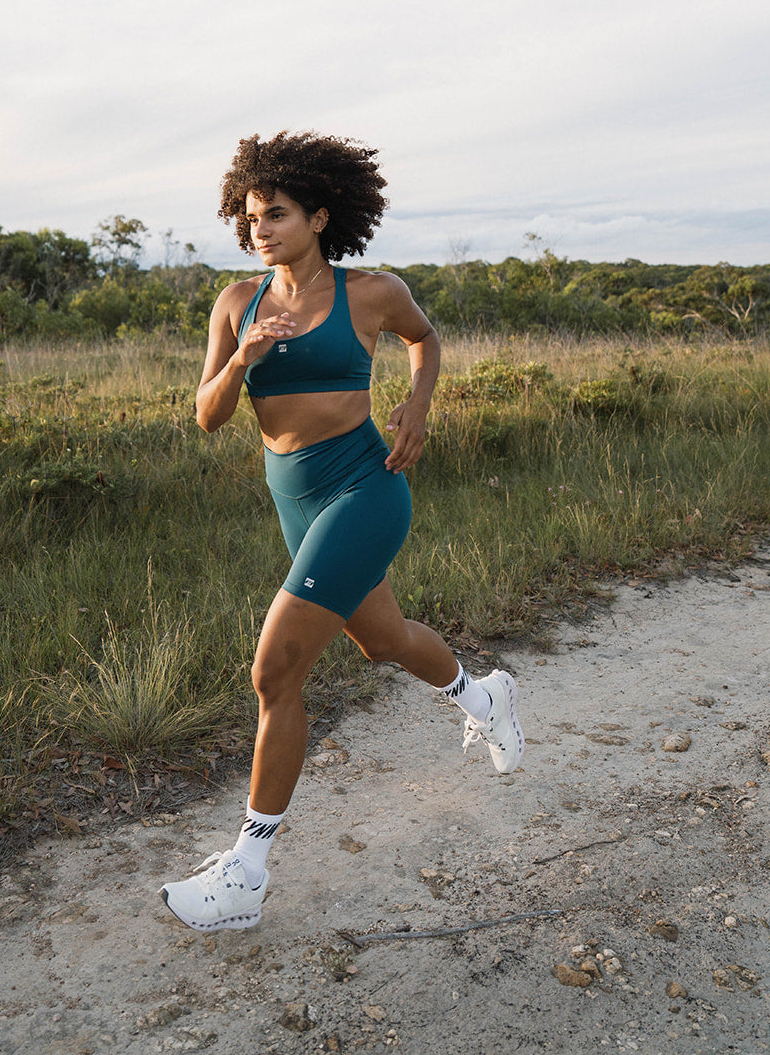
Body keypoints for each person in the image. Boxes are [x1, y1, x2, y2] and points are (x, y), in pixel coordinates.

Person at [160, 131, 523, 932]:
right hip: (294, 500)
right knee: (383, 641)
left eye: (277, 215)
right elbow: (207, 416)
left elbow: (424, 340)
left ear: (320, 215)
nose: (260, 230)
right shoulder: (235, 304)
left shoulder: (371, 292)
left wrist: (417, 404)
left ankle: (246, 875)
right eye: (250, 217)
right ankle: (483, 695)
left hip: (364, 486)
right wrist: (243, 359)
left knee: (274, 674)